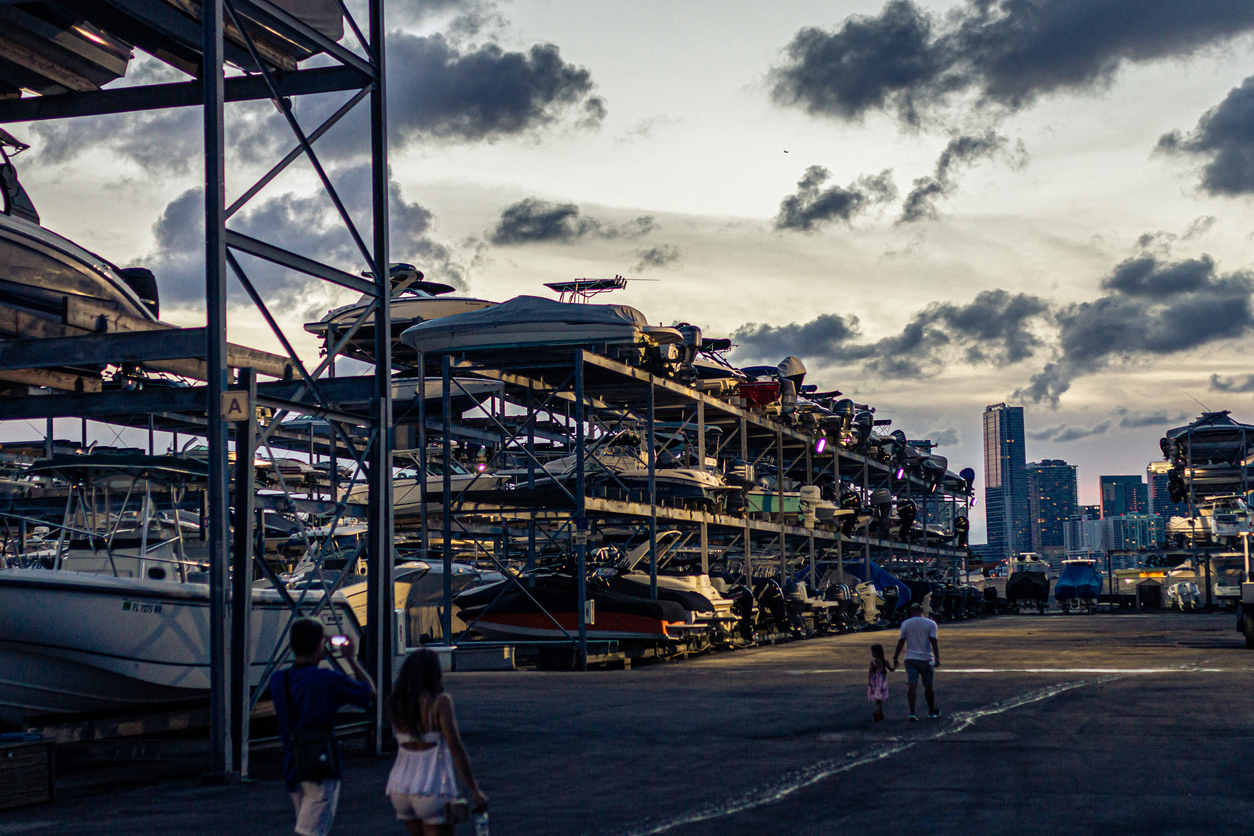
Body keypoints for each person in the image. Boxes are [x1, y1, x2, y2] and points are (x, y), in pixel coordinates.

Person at [272, 618, 376, 836]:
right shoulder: (327, 679)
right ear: (320, 646)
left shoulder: (278, 680)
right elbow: (368, 694)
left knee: (306, 822)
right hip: (321, 762)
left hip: (293, 762)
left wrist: (318, 644)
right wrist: (351, 660)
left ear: (292, 647)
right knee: (311, 830)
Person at [385, 648, 488, 835]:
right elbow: (455, 747)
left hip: (400, 787)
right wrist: (474, 789)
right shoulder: (440, 702)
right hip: (433, 788)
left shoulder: (396, 702)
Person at [892, 602, 940, 721]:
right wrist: (937, 657)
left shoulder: (906, 624)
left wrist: (895, 657)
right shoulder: (931, 624)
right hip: (926, 658)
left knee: (912, 684)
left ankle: (912, 712)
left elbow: (901, 641)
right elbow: (934, 641)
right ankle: (931, 711)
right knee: (928, 685)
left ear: (911, 612)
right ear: (922, 611)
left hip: (910, 658)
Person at [867, 643, 894, 722]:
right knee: (881, 698)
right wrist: (896, 666)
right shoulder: (885, 662)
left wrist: (869, 681)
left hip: (875, 682)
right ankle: (879, 711)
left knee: (877, 698)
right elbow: (891, 670)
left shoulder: (873, 662)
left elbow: (871, 672)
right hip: (882, 682)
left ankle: (879, 712)